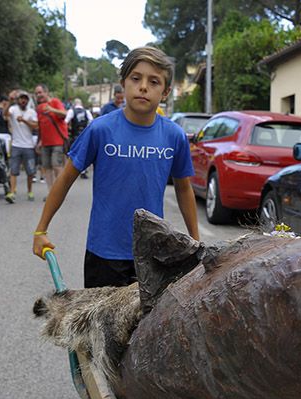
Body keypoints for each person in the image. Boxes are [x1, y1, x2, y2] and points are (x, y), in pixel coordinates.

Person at [32, 46, 200, 288]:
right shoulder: (100, 129)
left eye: (154, 81)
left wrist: (196, 244)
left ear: (165, 92)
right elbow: (65, 179)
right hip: (103, 255)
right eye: (136, 78)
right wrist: (41, 230)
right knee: (102, 326)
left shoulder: (174, 136)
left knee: (147, 326)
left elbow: (184, 190)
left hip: (152, 256)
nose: (143, 87)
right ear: (123, 83)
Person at [34, 83, 68, 200]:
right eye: (36, 93)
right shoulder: (39, 108)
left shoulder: (55, 102)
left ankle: (59, 192)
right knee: (47, 168)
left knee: (57, 166)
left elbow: (65, 114)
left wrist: (52, 109)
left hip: (57, 141)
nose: (38, 95)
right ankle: (51, 193)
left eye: (40, 92)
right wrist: (39, 141)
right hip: (45, 142)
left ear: (46, 92)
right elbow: (41, 125)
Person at [4, 90, 37, 203]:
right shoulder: (13, 109)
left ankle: (30, 191)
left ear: (27, 101)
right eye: (21, 99)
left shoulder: (31, 112)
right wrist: (9, 101)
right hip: (16, 145)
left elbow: (36, 126)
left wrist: (24, 120)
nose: (23, 101)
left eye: (25, 99)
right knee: (13, 170)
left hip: (28, 145)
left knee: (30, 171)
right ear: (18, 100)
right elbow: (5, 114)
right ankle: (12, 192)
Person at [65, 97, 93, 178]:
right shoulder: (86, 111)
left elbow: (66, 121)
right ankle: (83, 171)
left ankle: (75, 170)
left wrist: (68, 130)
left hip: (75, 134)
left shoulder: (71, 111)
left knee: (74, 152)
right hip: (84, 133)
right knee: (85, 152)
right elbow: (91, 121)